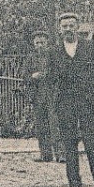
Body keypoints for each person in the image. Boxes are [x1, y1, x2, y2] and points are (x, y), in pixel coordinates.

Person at [47, 11, 94, 187]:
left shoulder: (90, 47)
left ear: (78, 27)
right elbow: (50, 78)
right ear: (60, 30)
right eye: (65, 26)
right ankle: (74, 184)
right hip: (65, 103)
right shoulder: (54, 52)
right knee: (69, 144)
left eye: (71, 25)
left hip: (87, 102)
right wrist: (56, 99)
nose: (68, 29)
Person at [25, 29, 60, 163]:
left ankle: (60, 154)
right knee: (41, 126)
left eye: (42, 42)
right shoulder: (31, 58)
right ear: (34, 44)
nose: (39, 45)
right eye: (37, 43)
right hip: (38, 95)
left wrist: (49, 76)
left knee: (55, 125)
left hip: (52, 94)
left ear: (47, 42)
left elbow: (59, 73)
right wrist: (32, 76)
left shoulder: (54, 56)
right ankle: (45, 154)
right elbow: (24, 76)